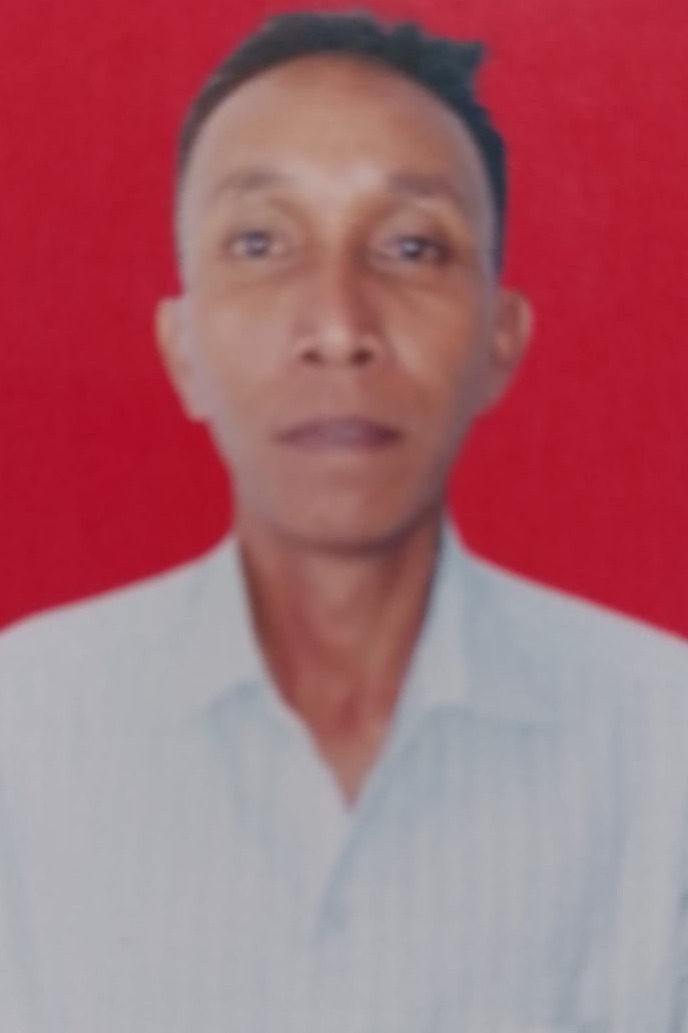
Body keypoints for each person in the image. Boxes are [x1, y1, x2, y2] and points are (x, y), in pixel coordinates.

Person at [1, 10, 687, 1032]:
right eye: (261, 242)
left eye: (411, 246)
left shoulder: (663, 737)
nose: (337, 326)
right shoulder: (24, 725)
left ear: (499, 341)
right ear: (183, 349)